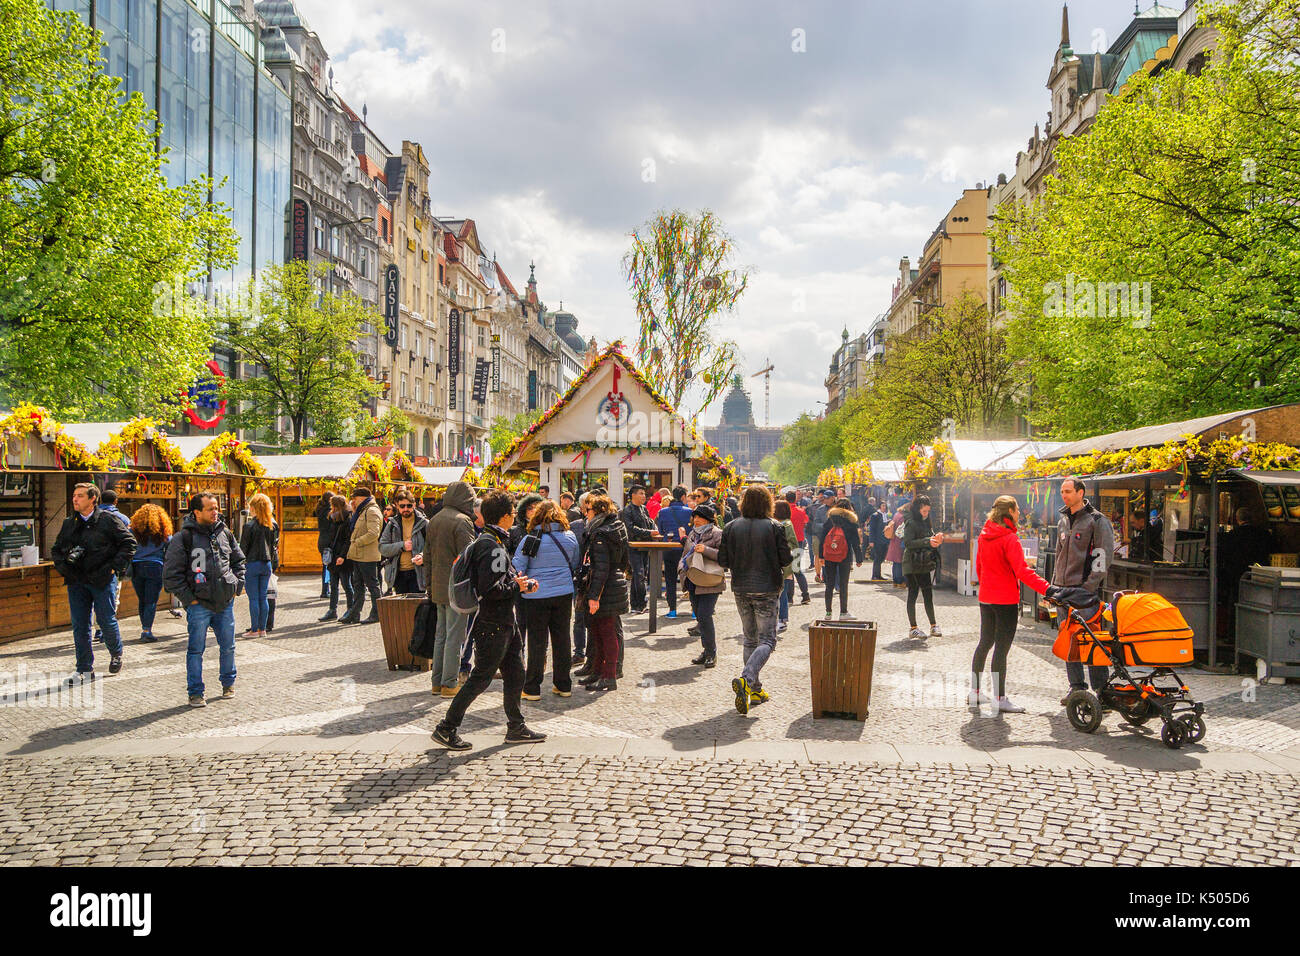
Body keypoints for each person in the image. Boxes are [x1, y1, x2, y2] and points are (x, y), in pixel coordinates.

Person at [432, 492, 547, 751]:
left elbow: (499, 584)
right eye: (512, 513)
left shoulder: (493, 540)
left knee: (516, 673)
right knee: (481, 678)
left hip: (505, 622)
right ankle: (446, 728)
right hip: (493, 623)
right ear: (505, 517)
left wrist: (519, 585)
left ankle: (516, 727)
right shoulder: (491, 545)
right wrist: (517, 587)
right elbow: (492, 590)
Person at [163, 492, 245, 707]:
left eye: (216, 507)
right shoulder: (184, 538)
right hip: (199, 604)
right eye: (210, 508)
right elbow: (172, 575)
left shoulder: (224, 532)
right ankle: (196, 692)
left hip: (225, 602)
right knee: (196, 650)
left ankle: (228, 683)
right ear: (197, 512)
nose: (215, 511)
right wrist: (190, 600)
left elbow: (239, 560)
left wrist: (237, 585)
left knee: (228, 646)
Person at [971, 496, 1049, 713]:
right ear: (1010, 513)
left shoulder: (984, 535)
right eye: (1017, 510)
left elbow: (979, 567)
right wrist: (1047, 589)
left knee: (984, 643)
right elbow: (1022, 571)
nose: (1019, 514)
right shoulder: (1010, 539)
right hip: (1005, 599)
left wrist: (986, 586)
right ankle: (999, 697)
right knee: (1001, 649)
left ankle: (975, 692)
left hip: (986, 597)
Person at [718, 484, 791, 715]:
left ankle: (754, 689)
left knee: (750, 639)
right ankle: (747, 678)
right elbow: (786, 558)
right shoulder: (775, 527)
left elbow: (723, 560)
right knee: (768, 640)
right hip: (767, 587)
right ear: (767, 503)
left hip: (741, 587)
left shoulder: (730, 527)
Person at [52, 482, 135, 682]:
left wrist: (114, 568)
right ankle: (83, 669)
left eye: (80, 496)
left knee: (106, 620)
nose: (75, 499)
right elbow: (56, 549)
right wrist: (64, 567)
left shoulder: (108, 520)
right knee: (80, 625)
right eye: (74, 495)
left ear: (92, 499)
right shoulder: (69, 523)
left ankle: (116, 653)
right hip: (77, 581)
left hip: (102, 579)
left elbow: (129, 543)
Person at [1052, 477, 1114, 704]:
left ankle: (1103, 692)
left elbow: (1103, 556)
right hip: (1062, 592)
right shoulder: (1062, 521)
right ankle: (1076, 688)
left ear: (1081, 493)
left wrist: (1088, 587)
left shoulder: (1097, 521)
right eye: (1062, 491)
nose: (1064, 495)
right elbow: (1059, 556)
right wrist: (1054, 586)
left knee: (1092, 642)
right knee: (1069, 642)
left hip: (1084, 594)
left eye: (1068, 491)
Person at [514, 500, 579, 699]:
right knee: (562, 638)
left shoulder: (531, 539)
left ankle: (532, 687)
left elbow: (518, 566)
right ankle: (563, 684)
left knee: (537, 641)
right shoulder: (570, 537)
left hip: (537, 594)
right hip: (563, 593)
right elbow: (574, 563)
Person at [425, 480, 478, 697]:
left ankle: (437, 682)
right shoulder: (462, 521)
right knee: (455, 636)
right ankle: (449, 683)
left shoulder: (435, 519)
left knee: (441, 635)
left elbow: (427, 556)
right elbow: (468, 557)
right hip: (456, 588)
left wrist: (428, 584)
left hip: (438, 585)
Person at [576, 493, 630, 692]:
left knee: (606, 633)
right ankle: (598, 672)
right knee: (600, 631)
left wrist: (594, 596)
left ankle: (608, 676)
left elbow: (601, 568)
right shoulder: (617, 527)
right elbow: (624, 558)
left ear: (597, 512)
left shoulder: (600, 533)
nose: (585, 513)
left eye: (588, 510)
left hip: (605, 588)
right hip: (615, 582)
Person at [681, 502, 724, 665]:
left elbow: (725, 557)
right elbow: (685, 554)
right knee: (700, 616)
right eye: (695, 517)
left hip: (710, 580)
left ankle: (712, 653)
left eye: (700, 517)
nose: (696, 520)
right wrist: (681, 569)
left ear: (708, 519)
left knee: (705, 616)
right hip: (693, 579)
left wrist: (705, 550)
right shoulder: (692, 534)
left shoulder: (717, 534)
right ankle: (706, 651)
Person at [90, 488, 132, 644]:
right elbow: (129, 543)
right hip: (112, 566)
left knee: (93, 598)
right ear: (116, 501)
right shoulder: (124, 519)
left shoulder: (90, 517)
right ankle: (104, 630)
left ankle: (97, 629)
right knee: (112, 597)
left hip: (92, 565)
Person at [128, 503, 172, 643]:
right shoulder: (162, 532)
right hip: (155, 566)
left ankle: (145, 627)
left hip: (137, 566)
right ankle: (147, 630)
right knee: (151, 600)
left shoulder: (133, 532)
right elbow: (170, 546)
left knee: (142, 599)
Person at [340, 486, 383, 625]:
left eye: (355, 498)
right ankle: (354, 613)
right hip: (359, 555)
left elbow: (373, 533)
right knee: (357, 585)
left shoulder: (371, 511)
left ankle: (377, 613)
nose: (354, 501)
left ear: (362, 498)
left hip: (367, 555)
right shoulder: (361, 510)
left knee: (372, 585)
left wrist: (358, 542)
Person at [903, 495, 943, 639]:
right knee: (913, 594)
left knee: (928, 594)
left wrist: (936, 538)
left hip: (924, 563)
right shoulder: (911, 522)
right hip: (912, 563)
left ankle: (933, 625)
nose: (926, 514)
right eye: (924, 511)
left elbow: (928, 537)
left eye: (928, 511)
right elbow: (908, 543)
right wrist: (927, 541)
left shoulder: (926, 522)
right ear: (917, 509)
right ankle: (913, 627)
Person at [239, 493, 279, 640]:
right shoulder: (273, 525)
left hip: (253, 564)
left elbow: (242, 549)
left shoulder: (249, 526)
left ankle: (254, 629)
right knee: (263, 597)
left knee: (254, 599)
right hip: (267, 564)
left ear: (254, 508)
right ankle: (263, 629)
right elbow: (274, 546)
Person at [821, 497, 865, 619]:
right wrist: (859, 558)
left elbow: (823, 538)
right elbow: (855, 542)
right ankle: (843, 612)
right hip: (844, 556)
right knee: (843, 584)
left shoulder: (830, 519)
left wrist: (821, 555)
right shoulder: (851, 521)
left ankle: (828, 613)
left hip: (829, 555)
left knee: (829, 584)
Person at [379, 489, 427, 596]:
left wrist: (423, 556)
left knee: (417, 610)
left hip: (418, 574)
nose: (406, 509)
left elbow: (433, 547)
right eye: (402, 506)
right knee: (402, 610)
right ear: (397, 506)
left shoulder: (424, 523)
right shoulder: (392, 524)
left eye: (409, 506)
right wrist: (402, 546)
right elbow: (382, 547)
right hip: (398, 574)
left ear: (414, 505)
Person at [655, 485, 693, 618]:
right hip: (686, 548)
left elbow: (660, 531)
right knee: (691, 578)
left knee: (670, 579)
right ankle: (694, 611)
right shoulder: (690, 512)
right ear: (683, 497)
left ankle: (672, 610)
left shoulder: (663, 511)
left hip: (669, 548)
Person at [620, 484, 659, 613]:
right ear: (633, 495)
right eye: (641, 493)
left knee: (642, 575)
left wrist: (654, 529)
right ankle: (640, 604)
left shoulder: (644, 508)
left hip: (645, 546)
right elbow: (630, 529)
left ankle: (637, 605)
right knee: (639, 573)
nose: (644, 496)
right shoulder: (627, 510)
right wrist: (649, 532)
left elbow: (650, 522)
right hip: (633, 546)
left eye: (644, 493)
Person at [320, 495, 355, 622]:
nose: (331, 508)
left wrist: (342, 556)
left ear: (336, 506)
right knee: (333, 584)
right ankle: (332, 610)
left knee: (346, 584)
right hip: (333, 555)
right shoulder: (333, 518)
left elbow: (347, 540)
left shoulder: (347, 518)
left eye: (332, 505)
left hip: (342, 556)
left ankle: (351, 609)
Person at [774, 500, 800, 631]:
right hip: (782, 561)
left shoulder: (784, 524)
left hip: (782, 561)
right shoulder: (784, 523)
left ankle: (782, 618)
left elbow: (793, 544)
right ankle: (780, 618)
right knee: (780, 591)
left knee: (782, 591)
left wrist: (794, 565)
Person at [784, 491, 812, 604]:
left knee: (788, 570)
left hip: (786, 542)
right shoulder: (801, 511)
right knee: (797, 568)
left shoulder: (784, 512)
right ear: (795, 499)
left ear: (786, 499)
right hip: (799, 541)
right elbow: (806, 521)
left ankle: (789, 597)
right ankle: (805, 595)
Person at [808, 488, 835, 584]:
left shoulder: (837, 508)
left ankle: (829, 578)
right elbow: (815, 523)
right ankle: (821, 575)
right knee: (820, 556)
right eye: (824, 498)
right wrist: (825, 526)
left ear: (833, 498)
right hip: (821, 536)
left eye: (827, 498)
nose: (825, 500)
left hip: (834, 537)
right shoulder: (820, 509)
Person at [314, 491, 333, 599]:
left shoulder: (320, 509)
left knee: (326, 565)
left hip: (322, 540)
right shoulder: (328, 511)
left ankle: (325, 589)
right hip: (328, 541)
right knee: (327, 566)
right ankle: (325, 591)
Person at [866, 496, 889, 581]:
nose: (884, 507)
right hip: (877, 540)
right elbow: (872, 529)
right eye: (883, 506)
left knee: (882, 557)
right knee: (877, 558)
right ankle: (875, 575)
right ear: (879, 506)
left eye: (885, 506)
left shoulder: (885, 515)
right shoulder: (875, 515)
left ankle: (878, 575)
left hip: (884, 540)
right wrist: (871, 540)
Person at [886, 505, 907, 587]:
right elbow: (902, 530)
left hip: (894, 541)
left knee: (896, 562)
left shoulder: (896, 514)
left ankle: (895, 581)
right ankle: (900, 581)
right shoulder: (902, 517)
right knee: (899, 562)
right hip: (899, 541)